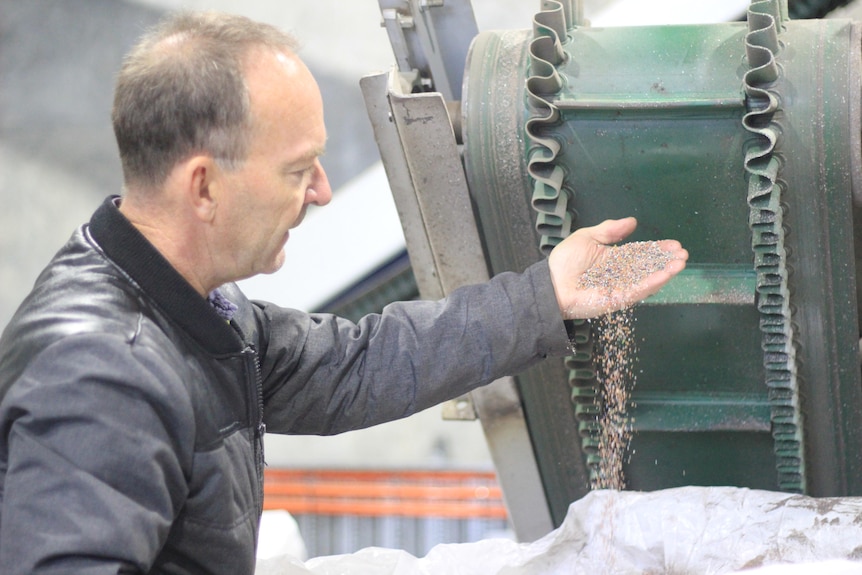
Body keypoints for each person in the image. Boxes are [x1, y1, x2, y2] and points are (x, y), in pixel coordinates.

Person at [0, 11, 687, 574]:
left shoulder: (193, 306)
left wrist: (546, 294)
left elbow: (352, 365)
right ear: (203, 186)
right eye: (299, 169)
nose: (323, 192)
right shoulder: (99, 377)